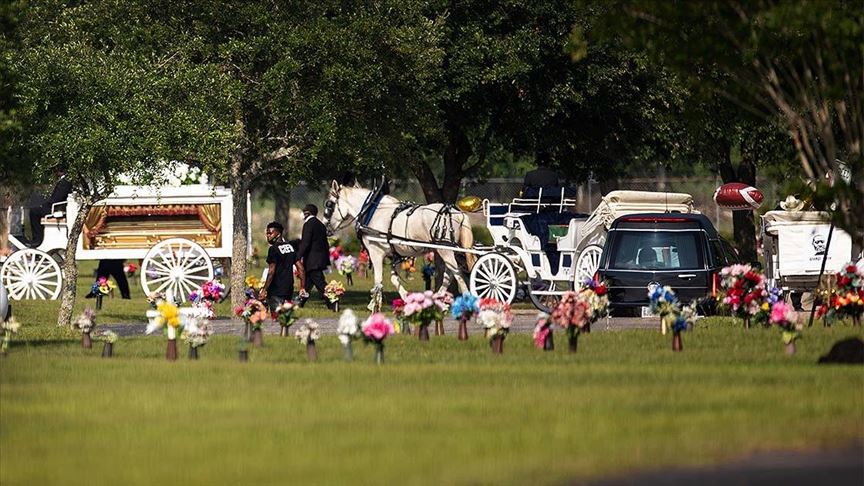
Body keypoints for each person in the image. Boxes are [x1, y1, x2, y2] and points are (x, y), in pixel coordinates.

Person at [259, 221, 304, 312]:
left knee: (276, 317)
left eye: (270, 233)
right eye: (267, 233)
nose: (268, 236)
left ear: (278, 234)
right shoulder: (290, 247)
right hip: (288, 288)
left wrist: (264, 289)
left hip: (275, 289)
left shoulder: (273, 249)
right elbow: (301, 268)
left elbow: (271, 272)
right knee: (286, 316)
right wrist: (302, 287)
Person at [296, 204, 330, 307]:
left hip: (312, 260)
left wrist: (297, 256)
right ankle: (300, 302)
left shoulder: (308, 224)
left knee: (320, 283)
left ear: (307, 213)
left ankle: (333, 300)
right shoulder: (320, 225)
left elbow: (305, 243)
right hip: (319, 259)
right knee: (307, 283)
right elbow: (325, 244)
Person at [28, 175, 72, 247]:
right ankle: (39, 237)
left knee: (34, 212)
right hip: (56, 206)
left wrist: (46, 203)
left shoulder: (65, 182)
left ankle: (37, 239)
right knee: (36, 210)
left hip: (56, 208)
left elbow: (57, 198)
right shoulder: (64, 181)